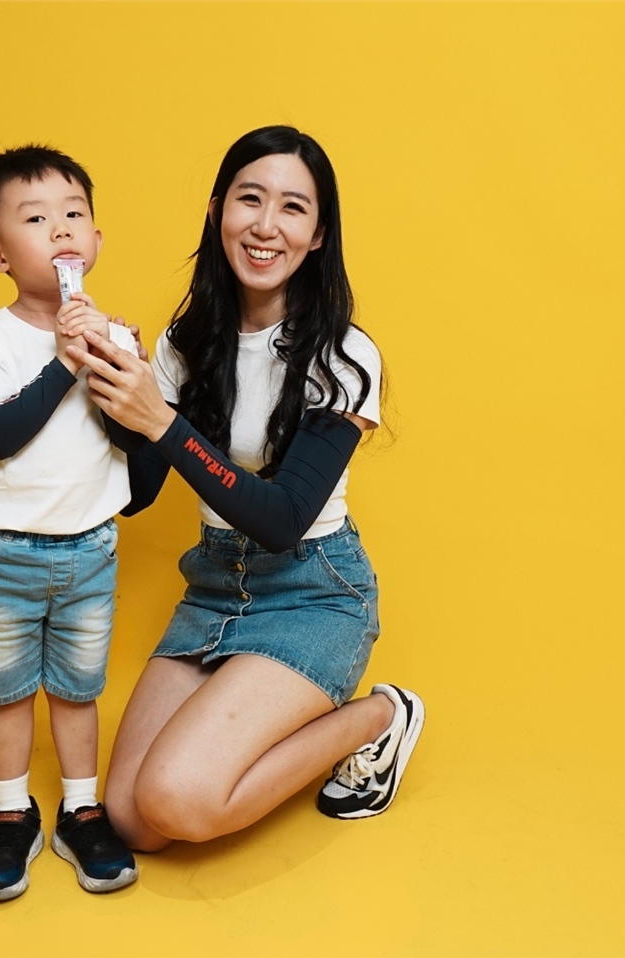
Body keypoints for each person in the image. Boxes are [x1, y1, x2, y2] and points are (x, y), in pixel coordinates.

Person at [66, 126, 425, 851]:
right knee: (134, 822)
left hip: (313, 591)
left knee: (179, 800)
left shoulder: (344, 356)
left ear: (318, 235)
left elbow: (283, 519)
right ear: (216, 211)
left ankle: (382, 715)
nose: (266, 226)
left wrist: (161, 420)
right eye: (249, 199)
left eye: (293, 208)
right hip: (214, 584)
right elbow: (139, 493)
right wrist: (111, 390)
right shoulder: (187, 343)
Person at [0, 145, 140, 898]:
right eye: (35, 219)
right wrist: (63, 364)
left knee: (76, 687)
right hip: (3, 552)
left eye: (73, 214)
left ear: (96, 240)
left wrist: (113, 362)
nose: (60, 229)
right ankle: (11, 815)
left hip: (91, 548)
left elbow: (136, 441)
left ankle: (81, 810)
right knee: (6, 691)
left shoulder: (116, 337)